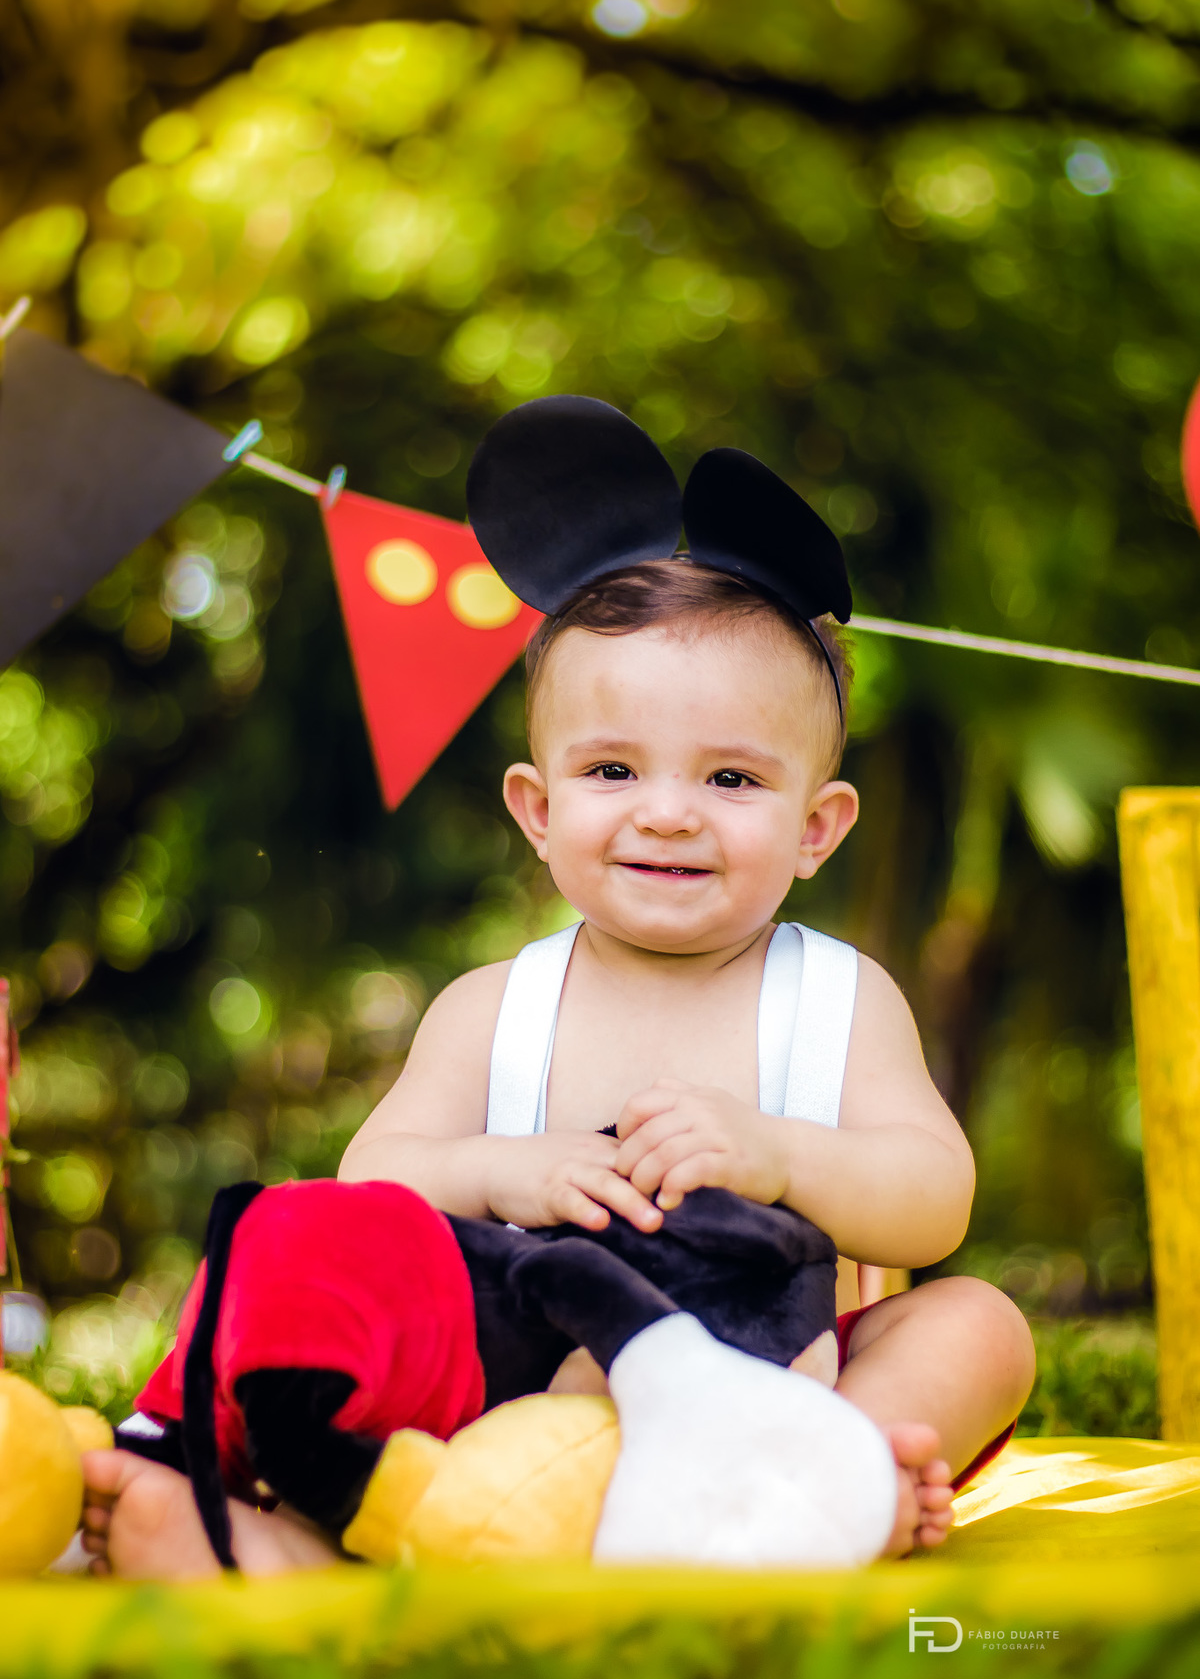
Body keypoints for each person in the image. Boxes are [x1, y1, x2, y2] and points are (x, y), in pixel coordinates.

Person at [82, 398, 1034, 1577]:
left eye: (732, 779)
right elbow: (370, 1183)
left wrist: (780, 1156)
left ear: (816, 828)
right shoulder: (496, 1007)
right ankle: (301, 1542)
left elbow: (934, 1198)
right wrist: (501, 1172)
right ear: (538, 810)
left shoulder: (840, 998)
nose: (668, 812)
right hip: (512, 1405)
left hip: (763, 1397)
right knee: (335, 1311)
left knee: (978, 1326)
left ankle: (827, 1477)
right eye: (614, 769)